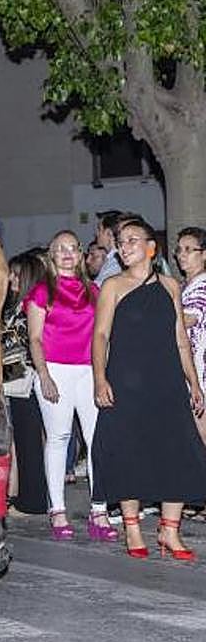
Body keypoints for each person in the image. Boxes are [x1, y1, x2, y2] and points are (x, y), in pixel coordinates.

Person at [91, 218, 206, 559]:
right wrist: (100, 378)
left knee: (178, 451)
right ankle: (132, 528)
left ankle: (170, 531)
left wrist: (195, 384)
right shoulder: (112, 285)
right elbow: (100, 336)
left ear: (150, 248)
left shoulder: (171, 286)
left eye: (131, 241)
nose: (124, 247)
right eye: (121, 242)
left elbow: (181, 340)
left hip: (166, 380)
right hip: (125, 381)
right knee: (129, 452)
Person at [24, 231, 114, 540]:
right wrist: (44, 374)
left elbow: (104, 336)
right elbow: (34, 338)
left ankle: (99, 509)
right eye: (60, 249)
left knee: (97, 439)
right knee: (59, 437)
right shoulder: (40, 292)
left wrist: (104, 373)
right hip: (55, 370)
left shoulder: (96, 290)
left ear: (80, 255)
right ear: (52, 256)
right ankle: (57, 510)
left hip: (89, 371)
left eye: (72, 248)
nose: (67, 253)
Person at [3, 251, 48, 515]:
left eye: (16, 274)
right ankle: (27, 497)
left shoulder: (30, 307)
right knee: (24, 440)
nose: (11, 279)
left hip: (27, 380)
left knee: (30, 441)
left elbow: (22, 344)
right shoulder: (16, 306)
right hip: (17, 380)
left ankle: (33, 501)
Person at [176, 227, 206, 411]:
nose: (181, 255)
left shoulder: (202, 284)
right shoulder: (184, 285)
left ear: (204, 254)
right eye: (179, 249)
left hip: (200, 368)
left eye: (189, 249)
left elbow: (188, 319)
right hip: (189, 367)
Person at [93, 210, 125, 285]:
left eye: (99, 229)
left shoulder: (116, 263)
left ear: (109, 233)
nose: (96, 234)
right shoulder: (111, 259)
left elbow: (97, 290)